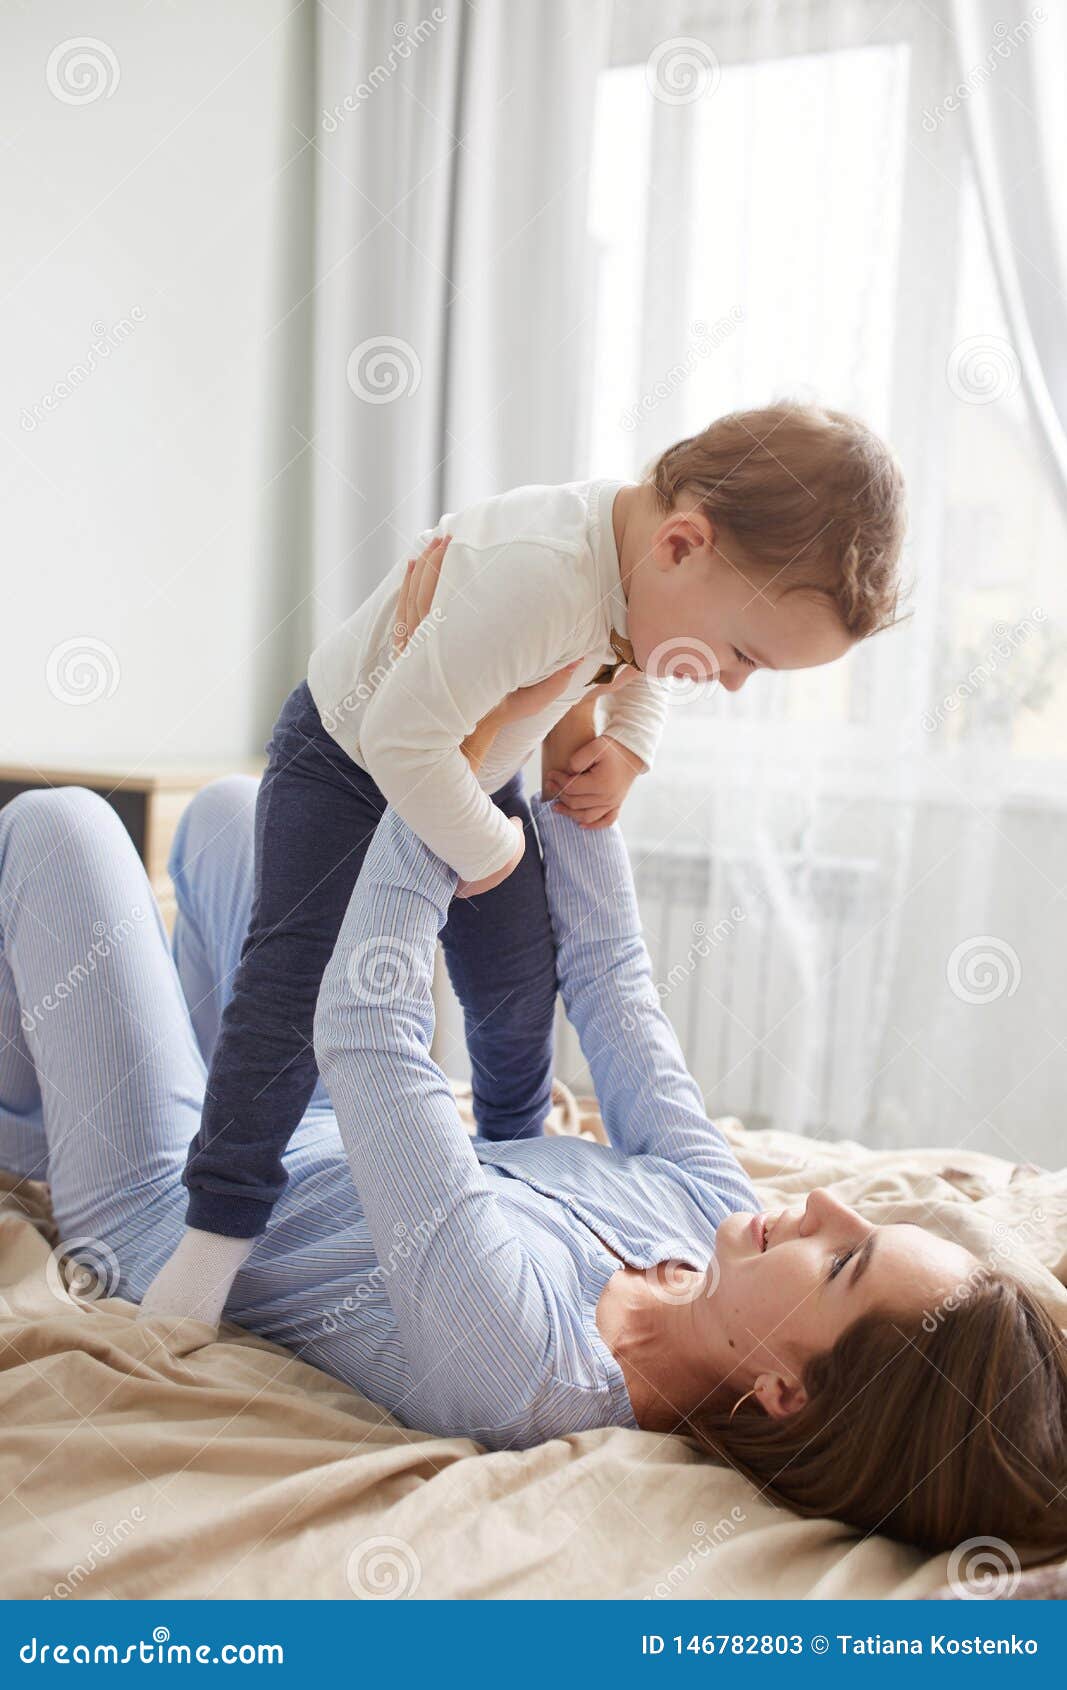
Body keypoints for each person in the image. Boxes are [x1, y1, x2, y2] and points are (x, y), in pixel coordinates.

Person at [1, 550, 1063, 1556]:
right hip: (297, 1119)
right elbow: (610, 981)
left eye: (840, 1261)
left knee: (65, 831)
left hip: (170, 1211)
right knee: (239, 818)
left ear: (780, 1390)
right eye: (858, 1220)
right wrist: (580, 774)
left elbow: (371, 1038)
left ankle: (33, 1111)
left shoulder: (527, 1366)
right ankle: (76, 1079)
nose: (827, 1208)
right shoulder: (709, 1216)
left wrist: (460, 755)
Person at [144, 402, 909, 1325]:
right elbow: (401, 738)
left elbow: (639, 662)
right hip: (351, 758)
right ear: (681, 544)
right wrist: (493, 848)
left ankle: (513, 1148)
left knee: (517, 982)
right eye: (743, 656)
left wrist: (627, 742)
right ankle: (214, 1235)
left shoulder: (646, 570)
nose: (736, 683)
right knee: (289, 991)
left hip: (474, 755)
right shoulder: (540, 579)